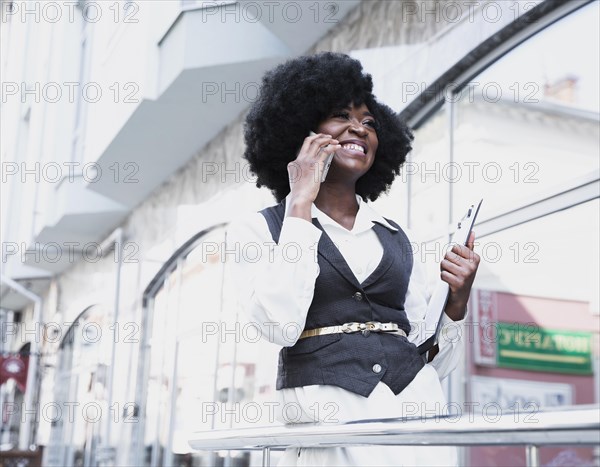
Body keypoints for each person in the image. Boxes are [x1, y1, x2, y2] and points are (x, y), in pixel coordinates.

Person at [227, 52, 480, 466]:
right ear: (300, 130)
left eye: (368, 122)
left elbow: (435, 359)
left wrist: (456, 302)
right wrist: (301, 206)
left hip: (414, 411)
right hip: (327, 421)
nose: (357, 128)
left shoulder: (398, 236)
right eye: (340, 115)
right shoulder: (259, 230)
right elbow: (279, 324)